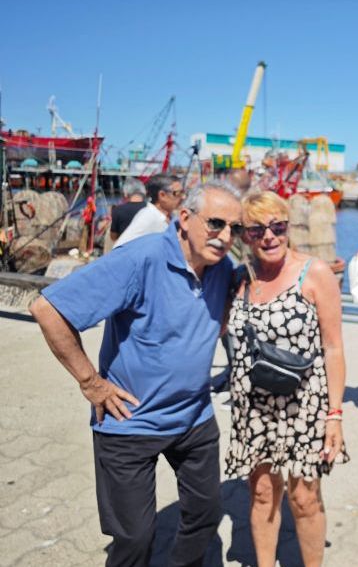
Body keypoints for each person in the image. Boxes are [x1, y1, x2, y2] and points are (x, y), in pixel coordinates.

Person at [29, 181, 243, 566]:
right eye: (216, 223)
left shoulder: (222, 267)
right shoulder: (140, 259)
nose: (226, 237)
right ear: (185, 218)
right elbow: (48, 310)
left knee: (206, 515)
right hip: (131, 421)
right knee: (135, 539)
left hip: (194, 418)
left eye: (235, 228)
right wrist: (91, 383)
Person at [225, 191, 349, 567]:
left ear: (288, 228)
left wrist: (335, 415)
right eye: (257, 229)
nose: (269, 236)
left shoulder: (315, 273)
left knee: (304, 498)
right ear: (244, 235)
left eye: (277, 227)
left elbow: (334, 348)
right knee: (263, 493)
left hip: (304, 406)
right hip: (253, 408)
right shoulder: (239, 278)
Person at [113, 173, 185, 248]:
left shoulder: (169, 216)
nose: (183, 197)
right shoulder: (148, 217)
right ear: (162, 195)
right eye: (178, 193)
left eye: (183, 192)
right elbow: (119, 248)